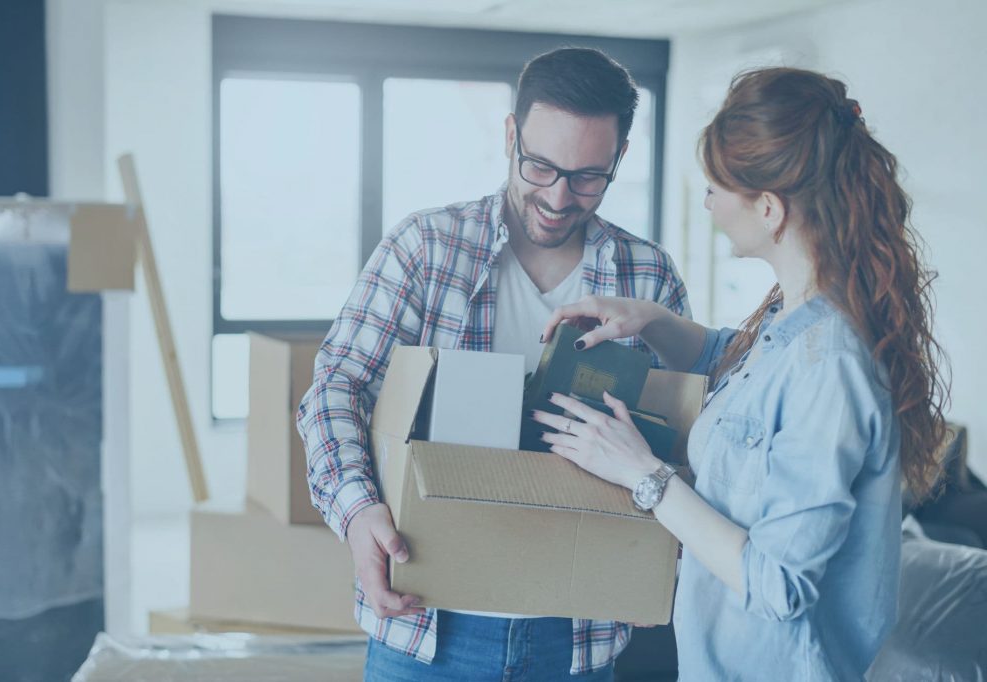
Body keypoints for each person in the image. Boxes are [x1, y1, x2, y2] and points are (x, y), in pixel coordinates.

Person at [534, 66, 950, 680]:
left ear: (768, 207)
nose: (707, 203)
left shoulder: (831, 363)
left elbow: (780, 585)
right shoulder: (794, 321)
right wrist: (648, 318)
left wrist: (640, 474)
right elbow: (739, 371)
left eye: (714, 187)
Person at [297, 47, 691, 681]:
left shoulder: (646, 275)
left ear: (619, 160)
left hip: (576, 634)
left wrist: (661, 554)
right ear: (511, 135)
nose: (560, 197)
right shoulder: (425, 248)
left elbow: (681, 433)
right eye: (540, 166)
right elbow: (335, 388)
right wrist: (357, 510)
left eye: (589, 176)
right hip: (429, 624)